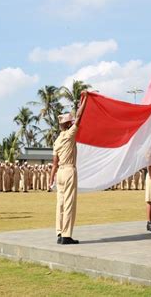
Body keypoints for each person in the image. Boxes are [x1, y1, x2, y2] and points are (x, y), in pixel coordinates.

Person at [49, 91, 88, 245]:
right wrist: (85, 100)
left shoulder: (57, 140)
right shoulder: (70, 134)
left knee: (60, 203)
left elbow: (54, 163)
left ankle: (59, 232)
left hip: (59, 173)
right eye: (70, 122)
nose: (73, 123)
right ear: (68, 124)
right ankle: (66, 235)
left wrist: (50, 180)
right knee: (69, 203)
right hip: (69, 170)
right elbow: (79, 116)